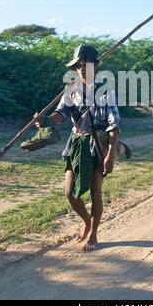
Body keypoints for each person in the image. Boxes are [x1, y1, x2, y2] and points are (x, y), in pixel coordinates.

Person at [36, 45, 121, 251]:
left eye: (86, 64)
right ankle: (87, 222)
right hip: (76, 142)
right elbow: (60, 115)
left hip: (98, 145)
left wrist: (109, 154)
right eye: (78, 65)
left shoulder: (105, 91)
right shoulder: (71, 90)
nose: (82, 69)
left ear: (95, 66)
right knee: (70, 193)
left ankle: (94, 233)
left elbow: (114, 124)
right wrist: (45, 120)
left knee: (95, 192)